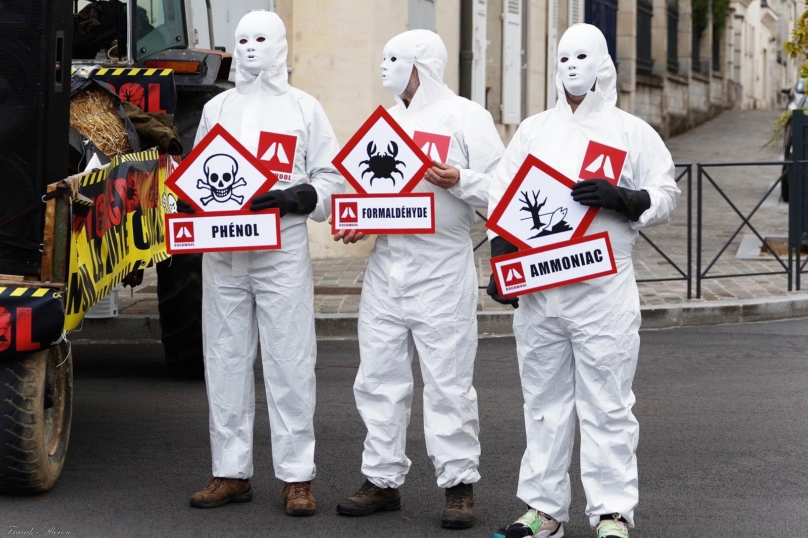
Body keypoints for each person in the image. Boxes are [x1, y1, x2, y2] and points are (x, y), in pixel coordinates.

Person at [487, 24, 679, 538]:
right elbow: (501, 198)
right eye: (563, 56)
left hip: (603, 289)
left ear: (602, 64)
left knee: (607, 401)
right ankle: (543, 510)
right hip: (540, 289)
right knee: (543, 403)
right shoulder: (532, 130)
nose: (571, 66)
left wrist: (628, 198)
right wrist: (501, 259)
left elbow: (665, 191)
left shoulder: (630, 131)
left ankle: (612, 512)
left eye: (582, 56)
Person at [333, 30, 504, 530]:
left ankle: (458, 486)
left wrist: (462, 180)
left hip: (441, 266)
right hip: (388, 265)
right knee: (379, 377)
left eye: (395, 59)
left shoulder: (466, 117)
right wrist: (360, 219)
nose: (383, 68)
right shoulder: (385, 123)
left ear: (421, 65)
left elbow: (504, 189)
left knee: (448, 380)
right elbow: (371, 189)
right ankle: (382, 480)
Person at [187, 10, 344, 516]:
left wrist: (299, 197)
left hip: (281, 253)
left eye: (261, 39)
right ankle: (230, 471)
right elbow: (197, 174)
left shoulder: (305, 108)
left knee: (290, 359)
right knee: (224, 357)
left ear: (280, 45)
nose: (251, 48)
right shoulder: (218, 108)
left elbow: (330, 176)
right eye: (243, 40)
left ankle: (297, 476)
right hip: (224, 254)